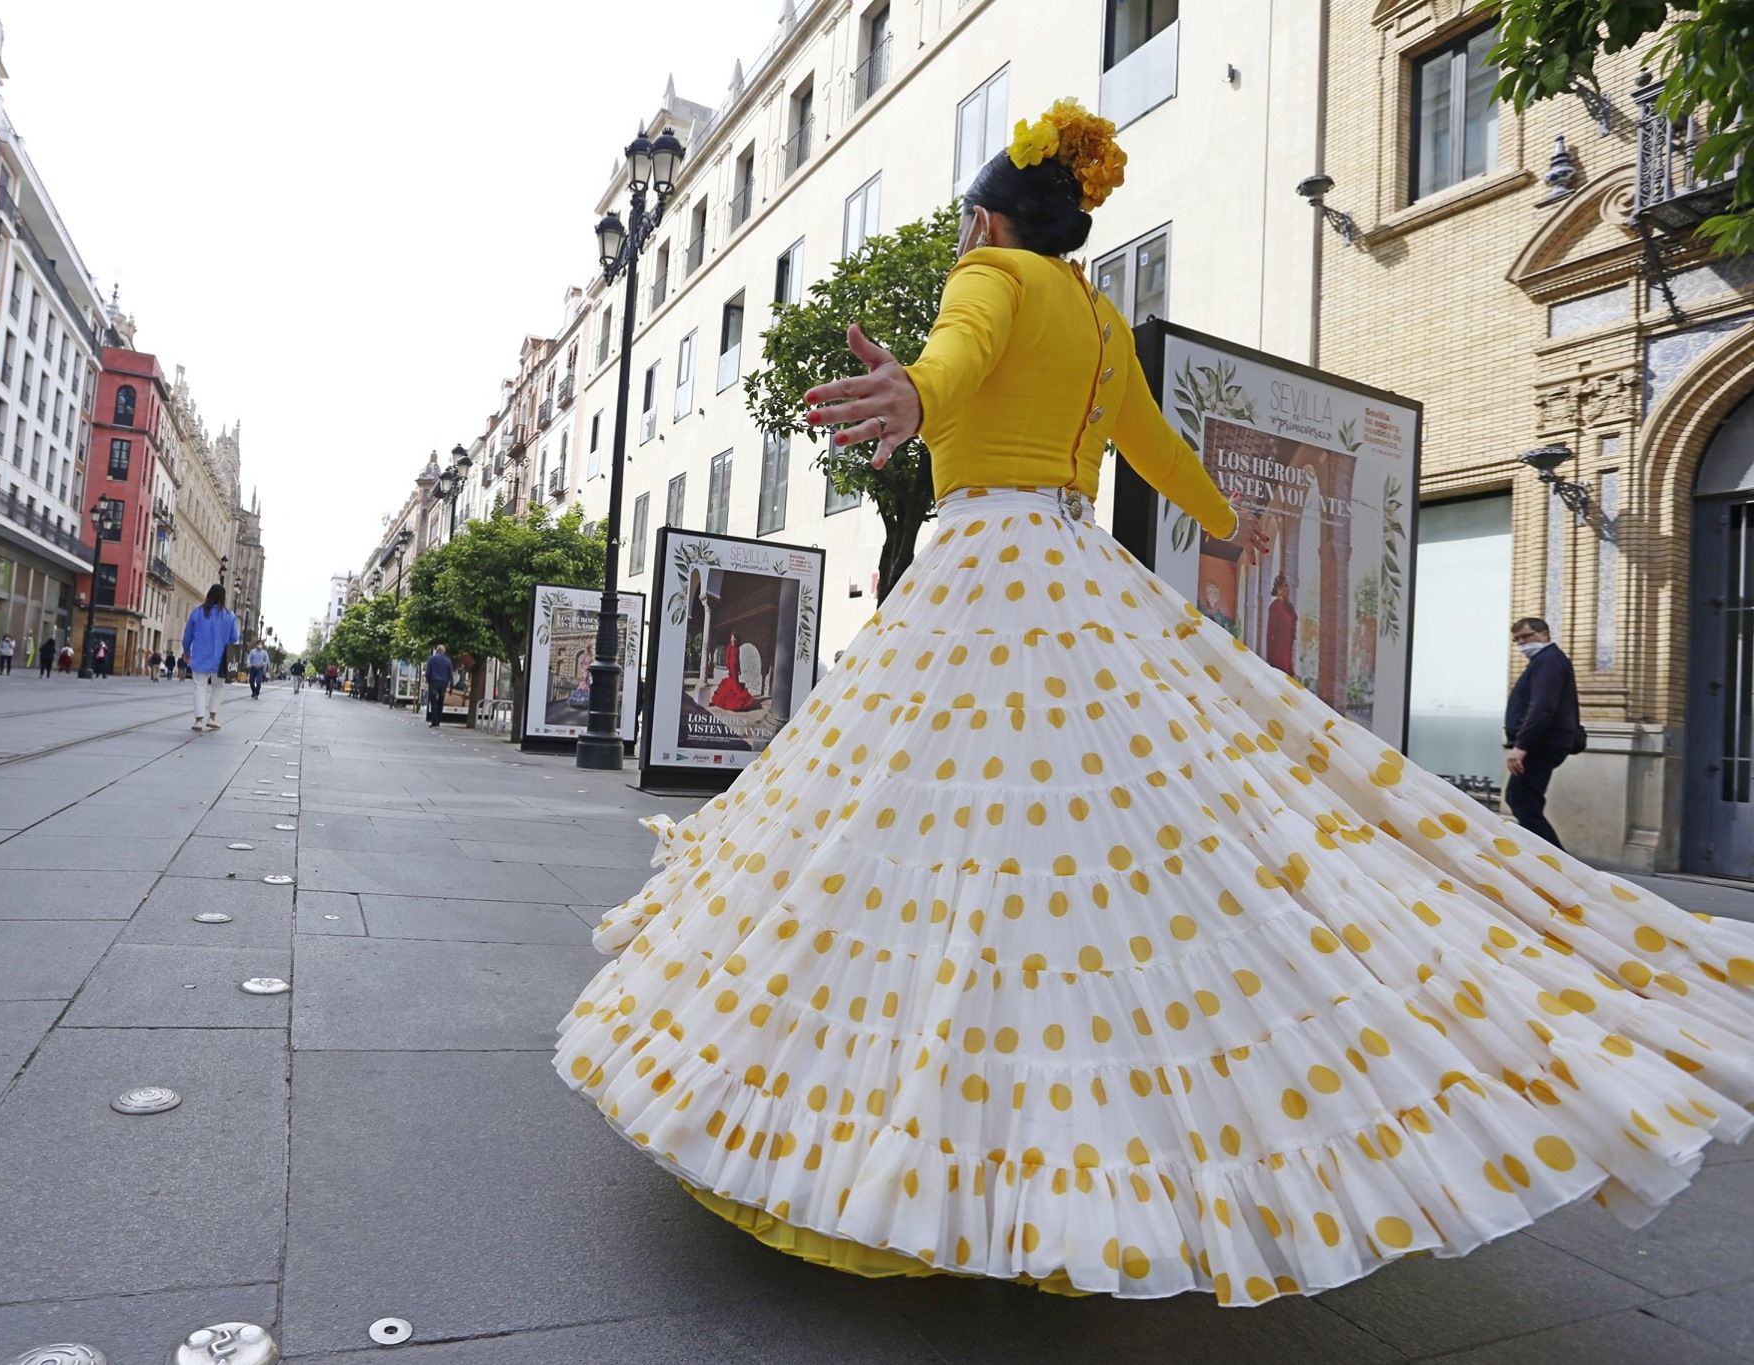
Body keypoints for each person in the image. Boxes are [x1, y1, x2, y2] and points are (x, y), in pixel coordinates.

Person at [554, 97, 1754, 1309]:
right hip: (1076, 573)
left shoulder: (988, 279)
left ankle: (931, 1132)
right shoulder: (1096, 318)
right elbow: (1157, 450)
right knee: (1111, 823)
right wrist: (1238, 520)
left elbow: (954, 359)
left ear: (983, 219)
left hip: (979, 573)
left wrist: (913, 398)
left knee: (915, 816)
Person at [1503, 616, 1584, 849]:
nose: (1522, 644)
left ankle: (1557, 862)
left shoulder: (1549, 662)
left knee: (1522, 801)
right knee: (1524, 801)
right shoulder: (1545, 662)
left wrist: (1521, 746)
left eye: (1526, 637)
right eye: (1517, 640)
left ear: (1545, 634)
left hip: (1539, 745)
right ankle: (1549, 860)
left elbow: (1542, 707)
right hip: (1540, 744)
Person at [182, 583, 240, 732]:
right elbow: (235, 637)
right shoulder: (230, 616)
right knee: (218, 687)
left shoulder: (197, 613)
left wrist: (186, 651)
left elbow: (187, 635)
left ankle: (199, 720)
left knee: (199, 687)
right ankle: (212, 718)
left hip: (200, 657)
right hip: (220, 660)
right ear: (223, 598)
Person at [708, 631, 758, 712]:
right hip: (731, 667)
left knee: (736, 682)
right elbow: (727, 658)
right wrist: (728, 669)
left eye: (734, 638)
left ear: (736, 639)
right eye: (732, 637)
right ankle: (737, 699)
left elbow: (738, 659)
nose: (733, 639)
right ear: (730, 639)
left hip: (736, 667)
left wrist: (739, 669)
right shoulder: (729, 647)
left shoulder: (737, 648)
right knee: (734, 683)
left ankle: (737, 699)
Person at [1265, 573, 1298, 676]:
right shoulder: (1275, 606)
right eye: (1285, 586)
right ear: (1279, 589)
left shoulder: (1288, 607)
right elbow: (1270, 633)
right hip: (1278, 653)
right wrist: (1269, 657)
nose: (1288, 589)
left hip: (1288, 652)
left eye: (1288, 586)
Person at [424, 644, 452, 726]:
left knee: (433, 702)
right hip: (443, 683)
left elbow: (428, 672)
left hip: (434, 682)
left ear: (436, 650)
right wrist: (451, 686)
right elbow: (450, 673)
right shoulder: (448, 661)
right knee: (441, 700)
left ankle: (434, 720)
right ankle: (439, 719)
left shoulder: (432, 659)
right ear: (444, 652)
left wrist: (428, 681)